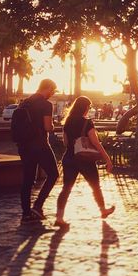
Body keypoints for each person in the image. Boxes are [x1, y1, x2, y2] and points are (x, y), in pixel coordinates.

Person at [54, 96, 115, 229]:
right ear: (86, 107)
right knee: (95, 186)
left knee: (66, 188)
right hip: (84, 159)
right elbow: (96, 143)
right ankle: (103, 210)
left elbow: (65, 142)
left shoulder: (67, 121)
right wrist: (107, 159)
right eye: (89, 107)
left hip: (69, 157)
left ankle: (59, 217)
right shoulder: (87, 123)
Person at [18, 79, 60, 223]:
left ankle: (26, 214)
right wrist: (53, 126)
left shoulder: (25, 102)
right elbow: (48, 127)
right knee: (54, 174)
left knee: (28, 180)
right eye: (52, 90)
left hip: (24, 146)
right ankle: (38, 205)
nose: (52, 94)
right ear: (47, 88)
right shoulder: (46, 104)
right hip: (40, 145)